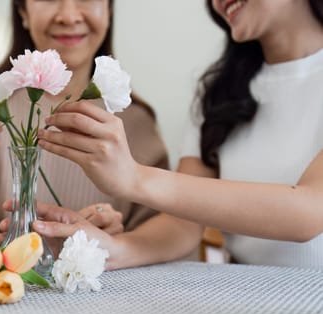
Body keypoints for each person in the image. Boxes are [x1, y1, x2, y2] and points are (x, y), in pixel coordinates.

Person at [32, 0, 323, 269]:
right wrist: (109, 249)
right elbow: (184, 224)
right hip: (248, 302)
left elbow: (309, 211)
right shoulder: (217, 91)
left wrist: (135, 177)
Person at [0, 0, 168, 241]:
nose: (69, 16)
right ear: (23, 11)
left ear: (109, 9)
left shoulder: (138, 125)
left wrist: (115, 236)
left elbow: (162, 240)